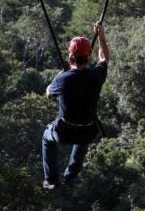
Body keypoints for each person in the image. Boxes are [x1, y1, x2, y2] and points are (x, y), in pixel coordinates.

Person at [41, 21, 109, 190]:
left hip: (63, 132)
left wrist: (60, 74)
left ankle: (50, 180)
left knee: (46, 138)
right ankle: (70, 177)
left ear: (70, 58)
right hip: (86, 132)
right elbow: (105, 57)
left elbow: (49, 93)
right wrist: (100, 35)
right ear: (89, 57)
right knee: (85, 131)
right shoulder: (97, 75)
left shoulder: (63, 79)